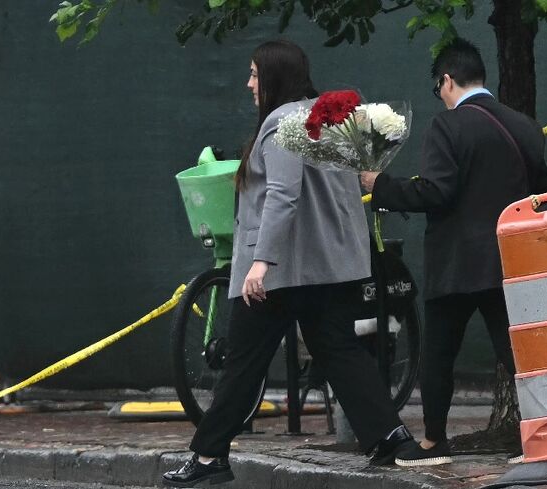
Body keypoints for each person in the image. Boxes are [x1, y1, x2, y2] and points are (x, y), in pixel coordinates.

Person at [162, 40, 420, 487]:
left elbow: (282, 195)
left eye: (255, 75)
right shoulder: (326, 119)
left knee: (243, 363)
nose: (249, 84)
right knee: (339, 351)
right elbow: (343, 191)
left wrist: (260, 263)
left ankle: (207, 458)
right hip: (331, 266)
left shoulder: (283, 124)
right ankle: (392, 438)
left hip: (283, 272)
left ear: (274, 78)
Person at [359, 37, 547, 467]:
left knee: (439, 354)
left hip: (458, 262)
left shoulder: (447, 127)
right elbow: (542, 192)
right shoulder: (525, 125)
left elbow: (437, 191)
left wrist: (381, 187)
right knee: (519, 354)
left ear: (447, 80)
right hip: (512, 257)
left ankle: (433, 441)